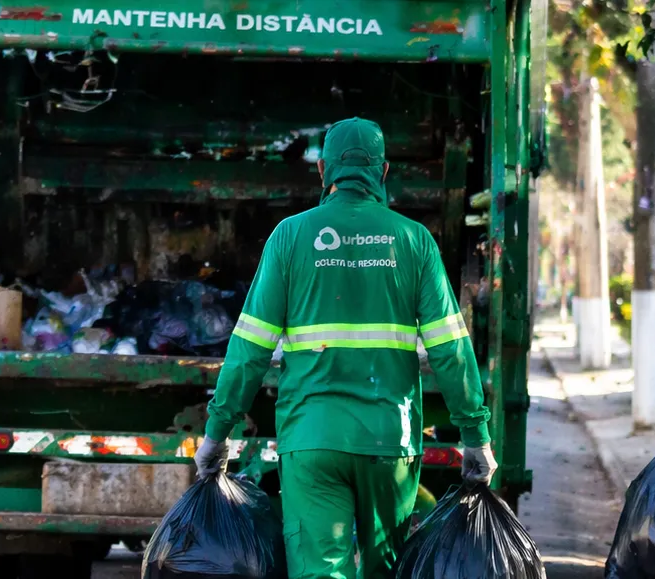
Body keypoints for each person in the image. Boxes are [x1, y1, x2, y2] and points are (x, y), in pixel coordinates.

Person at [193, 117, 497, 579]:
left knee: (320, 570)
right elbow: (450, 350)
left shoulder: (290, 237)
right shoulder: (413, 241)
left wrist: (218, 431)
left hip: (312, 439)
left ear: (322, 171)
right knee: (385, 571)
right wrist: (474, 435)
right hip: (387, 441)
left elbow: (250, 346)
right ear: (384, 171)